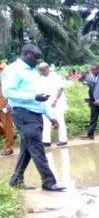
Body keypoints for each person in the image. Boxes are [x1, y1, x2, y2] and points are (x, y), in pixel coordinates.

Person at [1, 43, 65, 191]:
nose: (37, 61)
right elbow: (8, 92)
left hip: (35, 114)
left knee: (27, 149)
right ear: (26, 54)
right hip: (23, 114)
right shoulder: (13, 70)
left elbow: (39, 98)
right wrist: (33, 97)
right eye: (35, 57)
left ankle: (16, 180)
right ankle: (49, 182)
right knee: (37, 148)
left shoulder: (33, 73)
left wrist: (50, 116)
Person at [38, 63, 68, 147]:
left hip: (57, 102)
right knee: (46, 121)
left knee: (59, 120)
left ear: (47, 68)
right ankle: (46, 141)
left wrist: (55, 100)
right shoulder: (40, 78)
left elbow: (60, 89)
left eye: (43, 70)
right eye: (40, 70)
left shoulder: (56, 76)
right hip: (46, 102)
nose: (41, 72)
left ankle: (63, 139)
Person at [0, 60, 14, 156]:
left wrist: (10, 102)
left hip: (4, 102)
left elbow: (12, 86)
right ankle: (10, 135)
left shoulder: (6, 69)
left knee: (7, 126)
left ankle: (9, 148)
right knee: (7, 130)